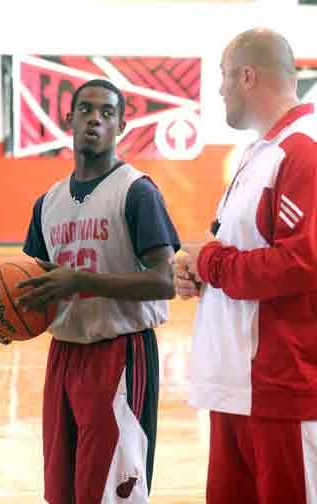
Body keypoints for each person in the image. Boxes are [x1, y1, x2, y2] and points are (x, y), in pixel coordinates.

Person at [14, 79, 179, 504]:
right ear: (68, 120)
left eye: (107, 113)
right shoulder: (47, 202)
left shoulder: (137, 191)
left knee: (110, 493)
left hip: (121, 355)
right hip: (64, 356)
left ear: (121, 125)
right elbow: (37, 281)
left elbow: (165, 281)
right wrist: (6, 320)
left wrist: (82, 281)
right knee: (64, 491)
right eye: (86, 109)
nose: (95, 119)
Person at [174, 29, 317, 504]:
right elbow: (237, 249)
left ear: (247, 76)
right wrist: (195, 270)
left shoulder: (304, 150)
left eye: (222, 76)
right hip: (234, 387)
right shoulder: (257, 154)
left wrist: (210, 261)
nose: (218, 89)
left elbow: (301, 263)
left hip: (279, 392)